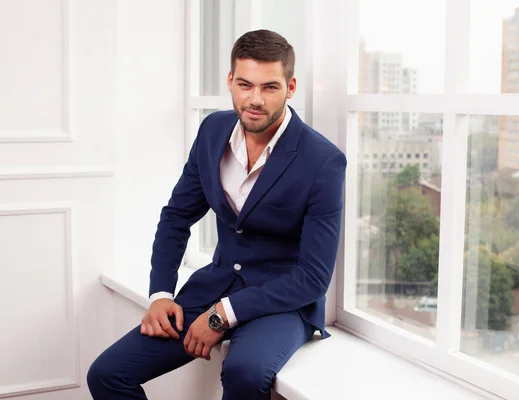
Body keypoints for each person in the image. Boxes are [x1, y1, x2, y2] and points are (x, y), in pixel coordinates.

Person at [87, 29, 347, 400]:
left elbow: (312, 278)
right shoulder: (212, 131)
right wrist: (161, 292)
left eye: (269, 87)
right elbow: (177, 215)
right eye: (245, 84)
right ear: (230, 81)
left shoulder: (323, 161)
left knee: (244, 372)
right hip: (215, 285)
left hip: (282, 303)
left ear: (290, 87)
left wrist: (220, 315)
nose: (254, 99)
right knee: (108, 374)